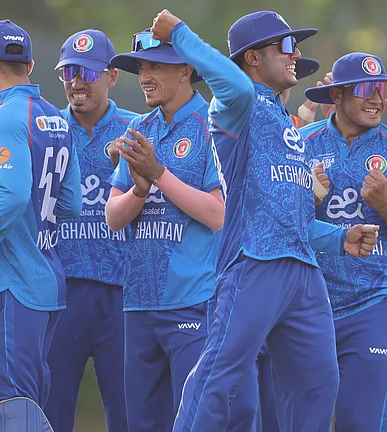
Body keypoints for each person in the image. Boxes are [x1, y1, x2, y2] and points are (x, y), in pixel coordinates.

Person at [147, 9, 380, 431]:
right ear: (253, 57)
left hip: (302, 271)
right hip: (254, 264)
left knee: (319, 383)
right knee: (219, 378)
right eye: (287, 46)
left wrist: (339, 237)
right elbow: (232, 81)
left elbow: (288, 213)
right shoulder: (236, 104)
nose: (297, 54)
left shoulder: (280, 117)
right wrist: (178, 33)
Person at [104, 28, 259, 432]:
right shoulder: (140, 126)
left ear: (186, 70)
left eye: (157, 66)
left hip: (194, 302)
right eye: (142, 67)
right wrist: (139, 189)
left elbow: (218, 214)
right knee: (142, 423)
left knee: (195, 420)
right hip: (137, 301)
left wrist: (158, 175)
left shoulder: (213, 126)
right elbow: (113, 217)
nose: (145, 76)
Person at [0, 19, 81, 430]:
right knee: (25, 403)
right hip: (48, 282)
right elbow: (71, 203)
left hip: (14, 284)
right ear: (31, 64)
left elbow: (14, 192)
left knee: (13, 407)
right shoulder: (56, 118)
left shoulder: (4, 116)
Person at [301, 52, 387, 430]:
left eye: (384, 89)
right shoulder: (300, 143)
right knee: (301, 420)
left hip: (375, 301)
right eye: (365, 88)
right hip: (308, 302)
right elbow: (275, 226)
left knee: (361, 421)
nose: (377, 98)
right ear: (338, 95)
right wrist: (307, 199)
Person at [45, 29, 135, 432]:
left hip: (124, 291)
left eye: (88, 73)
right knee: (51, 408)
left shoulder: (138, 130)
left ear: (112, 76)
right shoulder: (46, 130)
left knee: (130, 411)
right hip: (60, 289)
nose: (76, 82)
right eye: (69, 72)